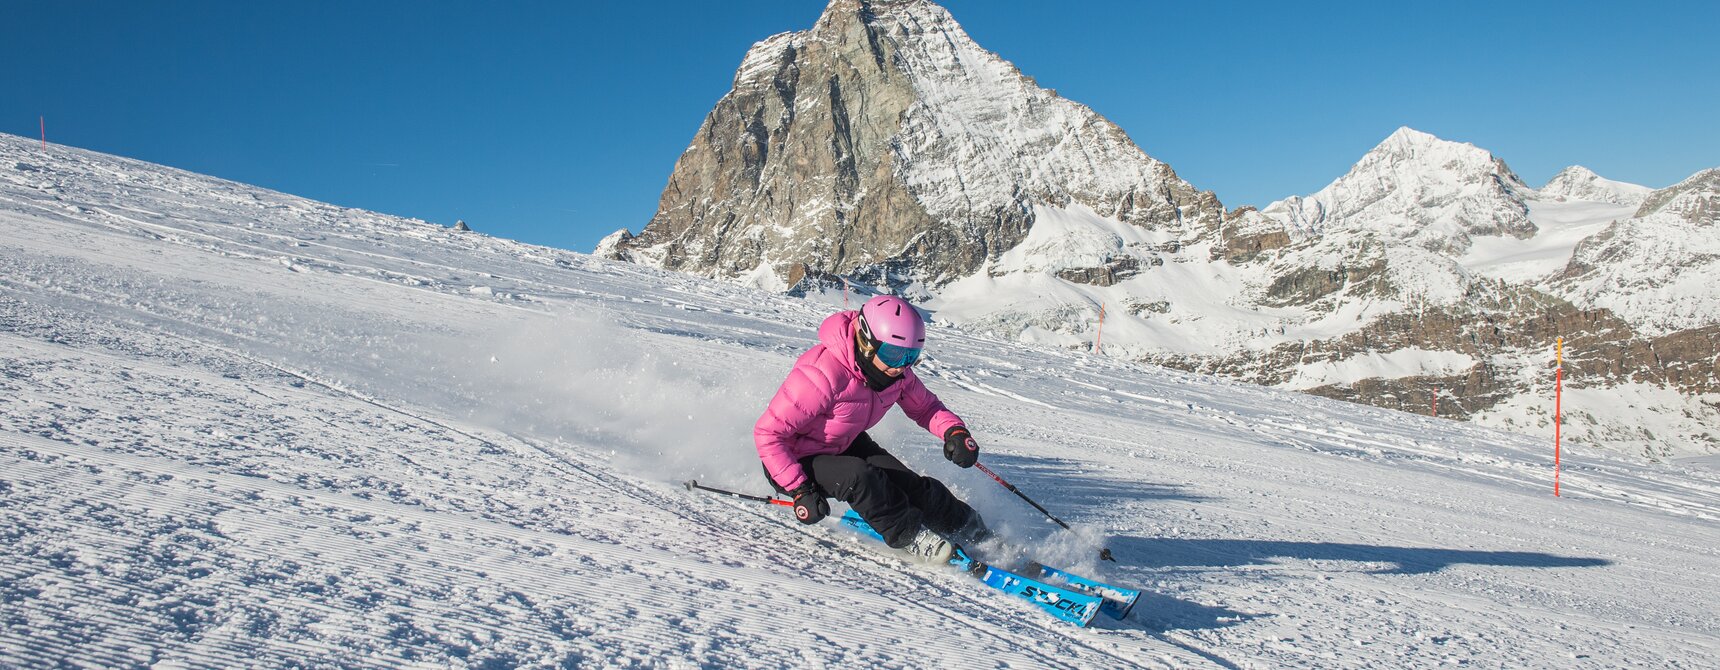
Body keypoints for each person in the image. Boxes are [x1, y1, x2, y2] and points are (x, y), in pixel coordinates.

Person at [755, 295, 989, 564]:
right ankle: (910, 536)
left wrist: (955, 432)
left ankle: (973, 531)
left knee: (911, 485)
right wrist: (800, 490)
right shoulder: (820, 374)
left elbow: (925, 408)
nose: (900, 365)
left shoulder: (895, 374)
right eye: (892, 353)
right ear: (866, 342)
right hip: (794, 461)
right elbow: (768, 434)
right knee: (861, 478)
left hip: (842, 443)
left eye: (910, 356)